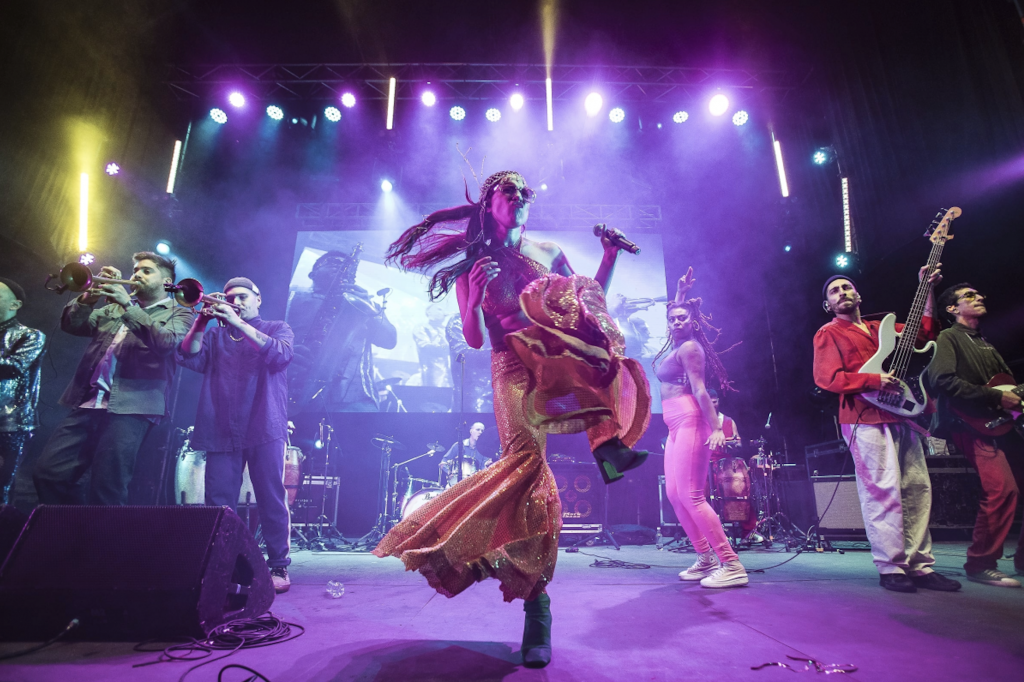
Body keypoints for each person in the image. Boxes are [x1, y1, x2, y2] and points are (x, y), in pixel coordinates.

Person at [374, 170, 651, 669]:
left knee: (600, 347)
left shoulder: (547, 252)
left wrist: (607, 259)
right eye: (510, 190)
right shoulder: (473, 267)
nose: (521, 197)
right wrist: (476, 300)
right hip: (512, 367)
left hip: (556, 356)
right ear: (489, 202)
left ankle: (606, 445)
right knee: (526, 468)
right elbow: (476, 339)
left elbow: (590, 303)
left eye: (526, 192)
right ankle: (534, 601)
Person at [813, 268, 961, 593]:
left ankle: (921, 565)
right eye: (835, 291)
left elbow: (924, 335)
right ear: (828, 304)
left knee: (916, 488)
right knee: (883, 489)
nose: (842, 292)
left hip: (904, 413)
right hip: (864, 416)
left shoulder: (882, 328)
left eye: (847, 287)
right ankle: (890, 566)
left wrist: (927, 290)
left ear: (859, 296)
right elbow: (827, 378)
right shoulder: (828, 332)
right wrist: (873, 380)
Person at [34, 253, 191, 505]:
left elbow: (166, 343)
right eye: (136, 269)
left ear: (167, 281)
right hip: (88, 402)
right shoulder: (112, 307)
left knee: (108, 487)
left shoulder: (180, 314)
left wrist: (129, 308)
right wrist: (89, 297)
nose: (137, 274)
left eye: (147, 271)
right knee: (49, 473)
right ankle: (70, 529)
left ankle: (101, 541)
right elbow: (72, 325)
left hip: (133, 407)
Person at [175, 277, 294, 594]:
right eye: (229, 297)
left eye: (242, 296)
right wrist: (201, 320)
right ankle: (227, 565)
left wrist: (238, 323)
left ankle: (278, 566)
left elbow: (281, 355)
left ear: (258, 299)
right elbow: (188, 355)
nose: (234, 301)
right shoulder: (215, 335)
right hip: (220, 426)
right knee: (219, 503)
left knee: (270, 498)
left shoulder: (276, 327)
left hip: (264, 424)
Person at [654, 269, 748, 588]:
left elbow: (700, 390)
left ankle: (731, 563)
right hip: (673, 425)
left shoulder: (691, 348)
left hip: (690, 419)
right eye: (673, 319)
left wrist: (716, 426)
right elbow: (676, 315)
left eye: (683, 318)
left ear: (692, 322)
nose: (678, 322)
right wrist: (679, 296)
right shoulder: (675, 343)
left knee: (692, 495)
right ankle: (705, 557)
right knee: (675, 495)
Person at [927, 283, 1024, 587]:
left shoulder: (983, 342)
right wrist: (996, 398)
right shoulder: (948, 337)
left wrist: (1008, 398)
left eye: (979, 294)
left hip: (1000, 424)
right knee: (1002, 490)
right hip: (970, 424)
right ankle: (980, 563)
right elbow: (941, 380)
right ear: (952, 309)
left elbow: (1005, 385)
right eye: (968, 296)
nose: (979, 297)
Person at [286, 249, 397, 413]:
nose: (340, 267)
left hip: (354, 399)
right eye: (333, 262)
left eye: (346, 266)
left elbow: (389, 341)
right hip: (294, 388)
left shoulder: (366, 304)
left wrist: (370, 308)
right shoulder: (292, 296)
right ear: (312, 273)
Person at [0, 278, 45, 504]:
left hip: (11, 421)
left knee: (2, 487)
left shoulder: (31, 335)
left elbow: (12, 367)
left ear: (14, 305)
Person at [440, 421, 492, 487]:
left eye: (482, 431)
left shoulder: (484, 450)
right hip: (455, 484)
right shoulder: (459, 445)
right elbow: (443, 462)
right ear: (471, 431)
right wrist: (449, 473)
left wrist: (488, 466)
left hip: (474, 485)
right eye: (478, 429)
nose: (480, 432)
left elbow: (484, 469)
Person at [414, 303, 452, 387]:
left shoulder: (446, 329)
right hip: (432, 374)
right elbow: (426, 347)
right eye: (439, 309)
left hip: (449, 374)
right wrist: (448, 348)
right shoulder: (422, 328)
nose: (443, 312)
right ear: (429, 312)